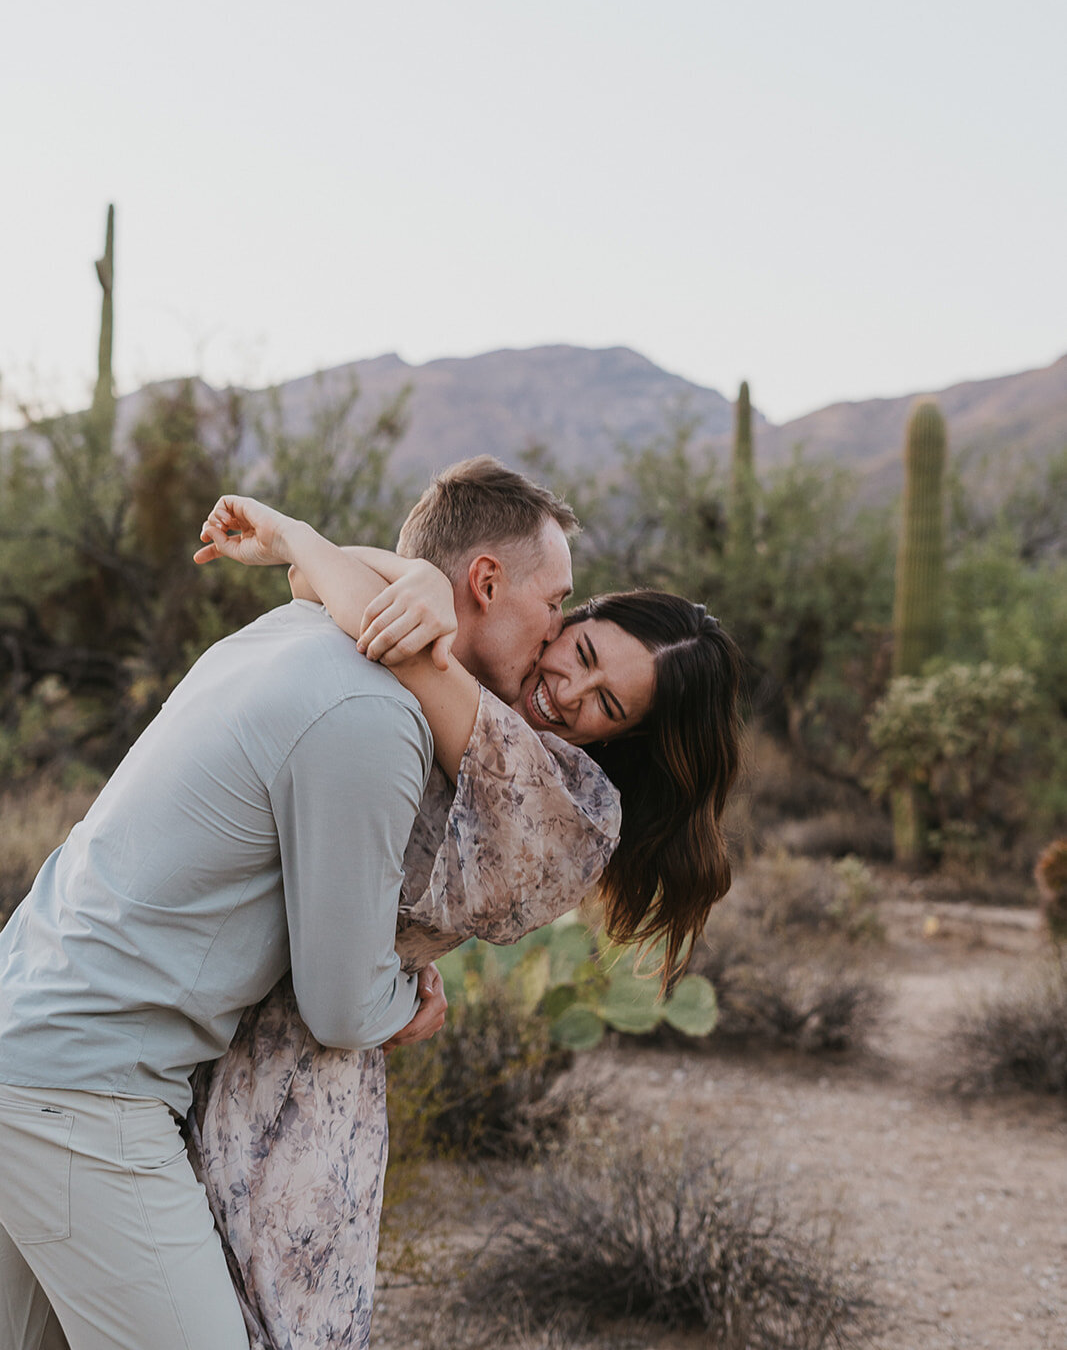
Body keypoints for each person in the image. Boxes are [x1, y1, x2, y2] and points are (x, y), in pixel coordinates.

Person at [0, 457, 579, 1350]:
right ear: (489, 582)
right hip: (85, 1093)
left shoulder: (291, 630)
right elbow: (343, 1006)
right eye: (556, 605)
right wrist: (410, 999)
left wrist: (362, 562)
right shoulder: (373, 715)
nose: (557, 636)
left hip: (28, 1030)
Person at [188, 480, 744, 1350]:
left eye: (606, 704)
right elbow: (327, 597)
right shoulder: (472, 691)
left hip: (300, 1066)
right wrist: (409, 579)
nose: (568, 689)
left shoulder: (573, 804)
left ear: (622, 740)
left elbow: (378, 630)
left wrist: (331, 548)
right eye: (581, 646)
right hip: (203, 1016)